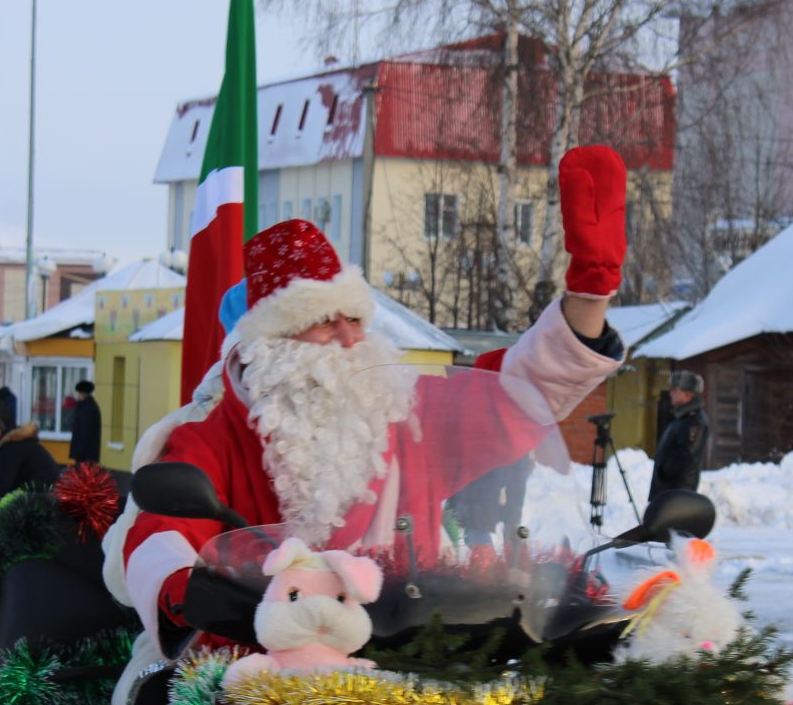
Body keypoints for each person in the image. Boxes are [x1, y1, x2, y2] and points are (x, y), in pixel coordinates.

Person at [116, 145, 630, 653]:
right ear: (270, 342)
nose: (347, 337)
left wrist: (590, 292)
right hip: (275, 672)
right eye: (321, 321)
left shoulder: (405, 411)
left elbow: (520, 393)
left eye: (354, 319)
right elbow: (162, 537)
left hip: (415, 660)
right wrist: (185, 589)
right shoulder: (213, 434)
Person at [649, 369, 709, 502]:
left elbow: (685, 455)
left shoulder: (694, 421)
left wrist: (664, 470)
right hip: (668, 490)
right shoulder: (682, 418)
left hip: (677, 491)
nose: (670, 394)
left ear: (688, 394)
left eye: (675, 390)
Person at [0, 415, 59, 507]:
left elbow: (4, 482)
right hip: (48, 492)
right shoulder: (14, 443)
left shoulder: (10, 447)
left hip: (44, 496)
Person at [69, 379, 102, 464]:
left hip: (86, 456)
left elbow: (85, 433)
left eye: (79, 393)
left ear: (83, 394)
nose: (78, 395)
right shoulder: (86, 407)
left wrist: (79, 452)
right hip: (85, 454)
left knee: (84, 476)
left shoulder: (87, 409)